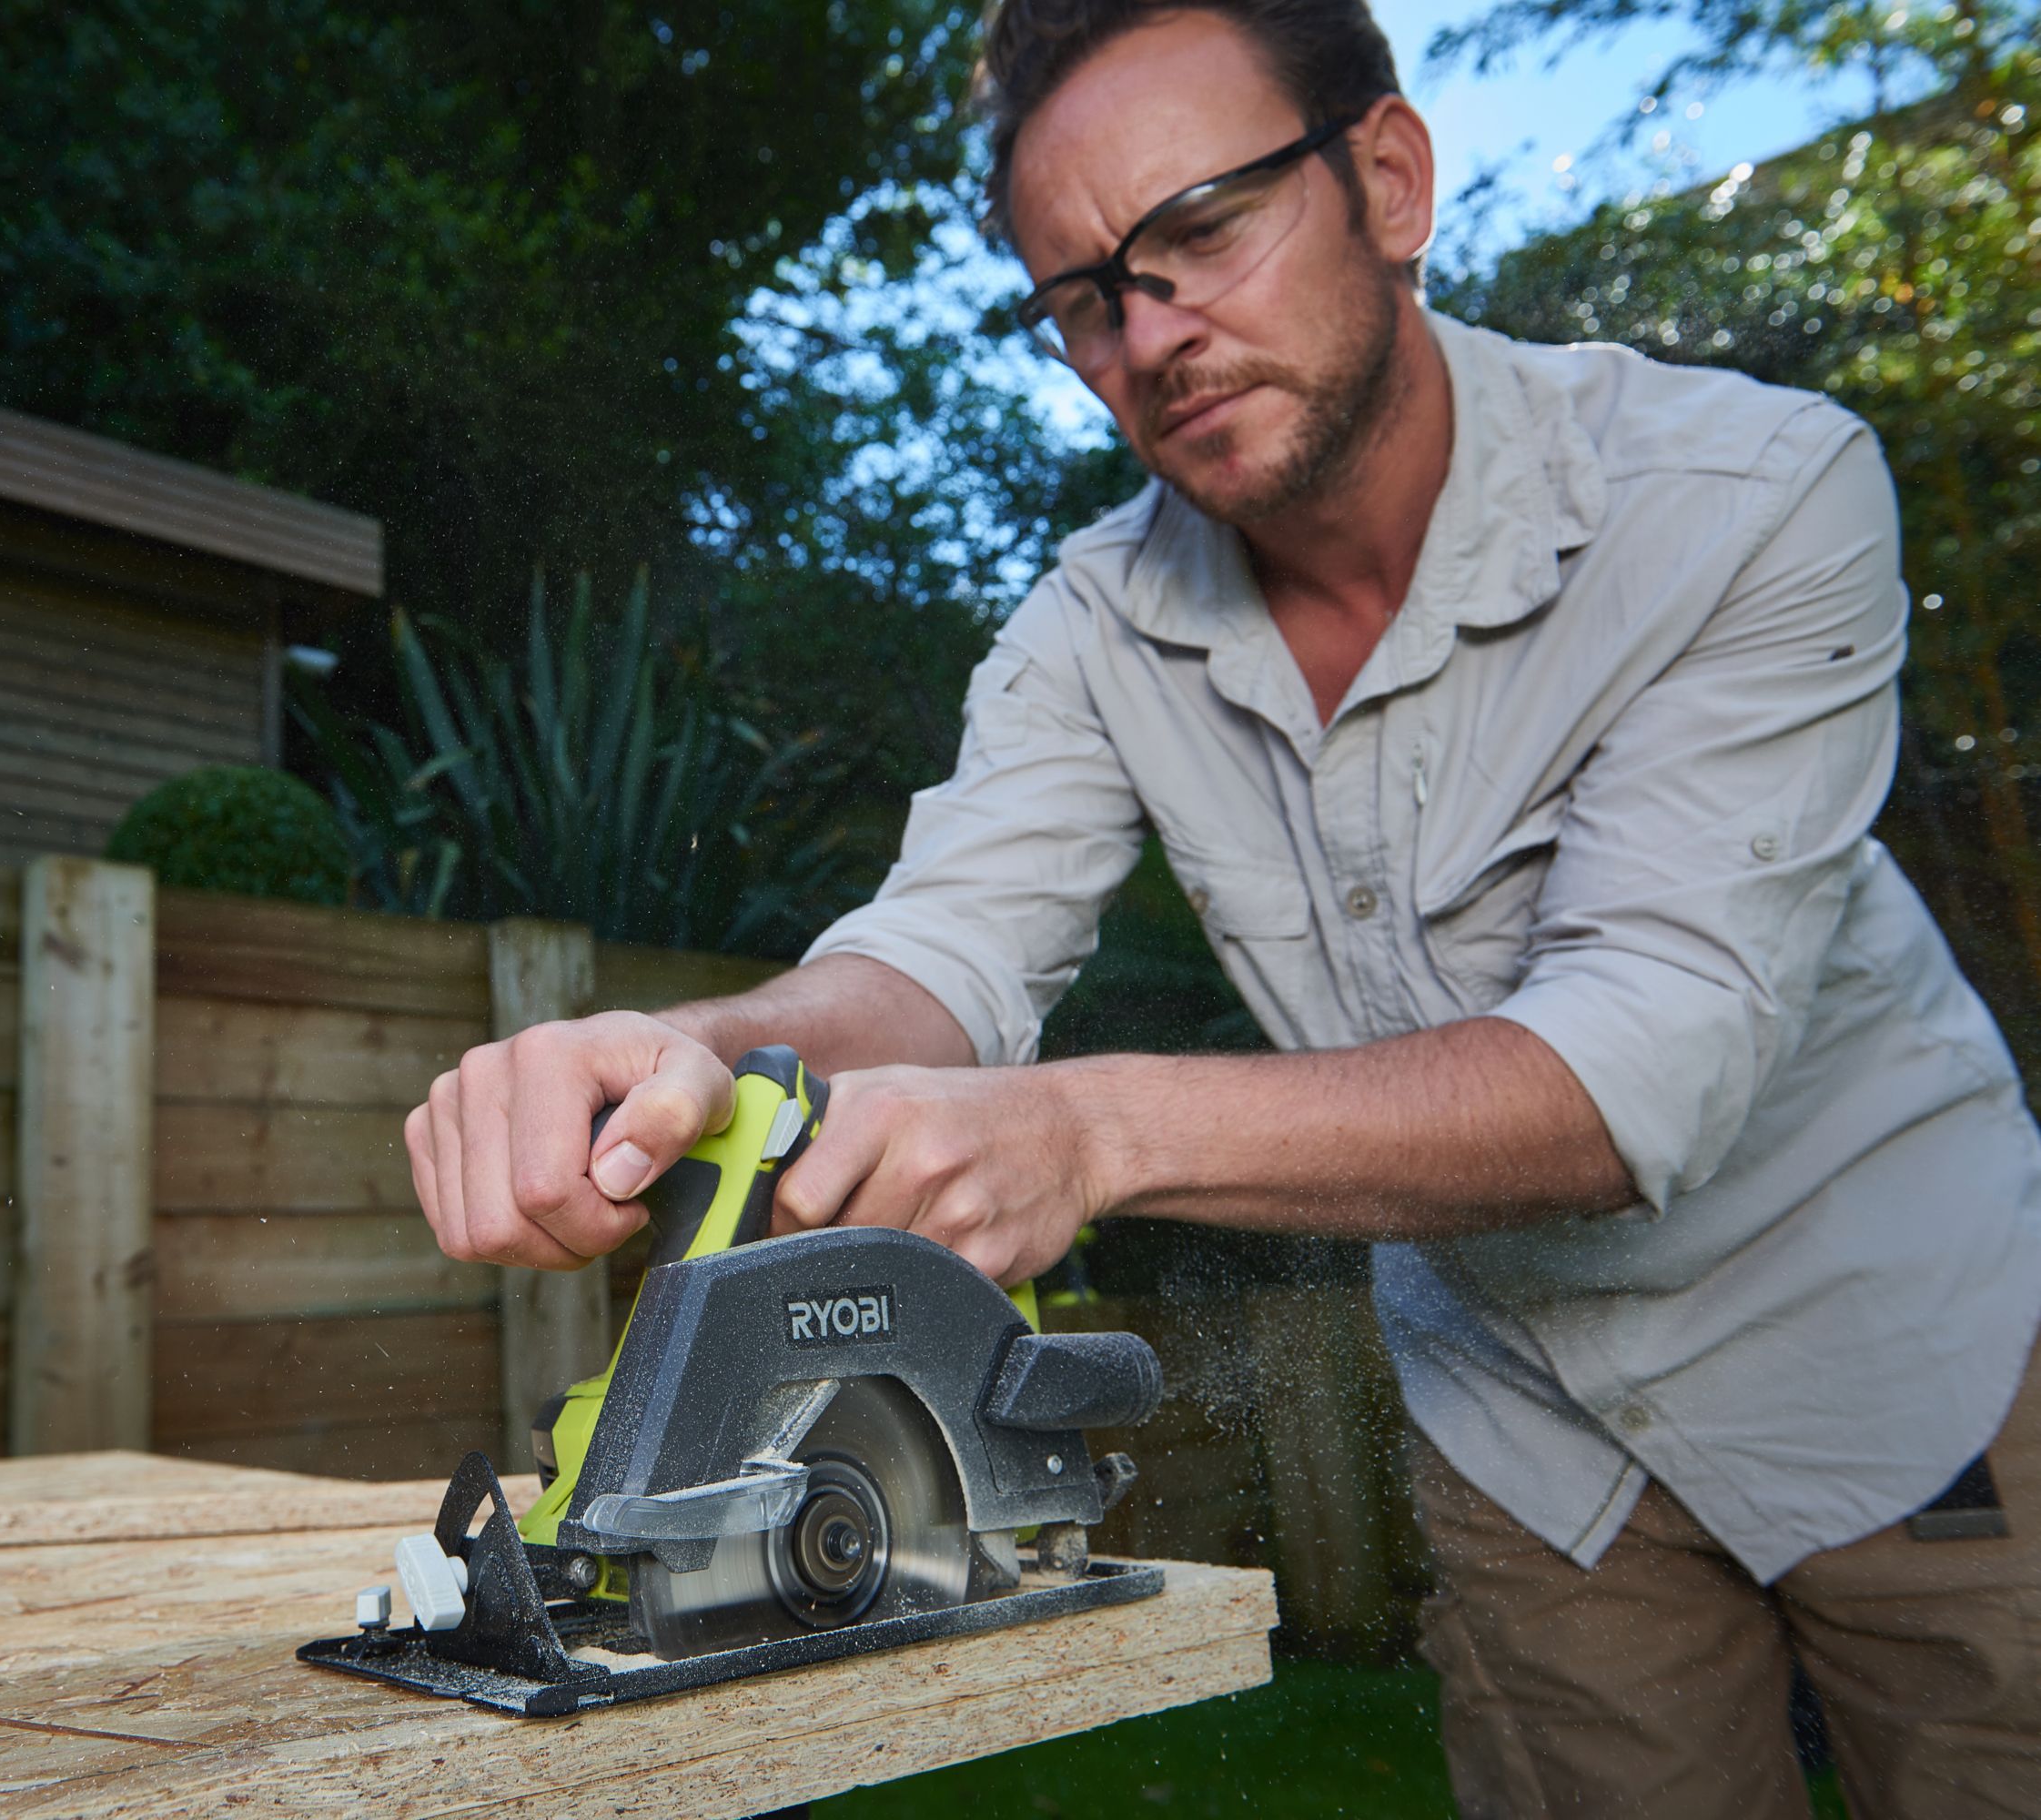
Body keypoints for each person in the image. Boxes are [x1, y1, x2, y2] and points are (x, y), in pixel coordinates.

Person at [402, 2, 2041, 1812]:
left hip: (1908, 1359)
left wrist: (1089, 1128)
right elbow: (939, 954)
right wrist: (689, 1056)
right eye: (1085, 295)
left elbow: (1644, 1063)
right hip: (1526, 1430)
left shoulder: (1747, 497)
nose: (1149, 332)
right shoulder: (1088, 627)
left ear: (1388, 180)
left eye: (1199, 231)